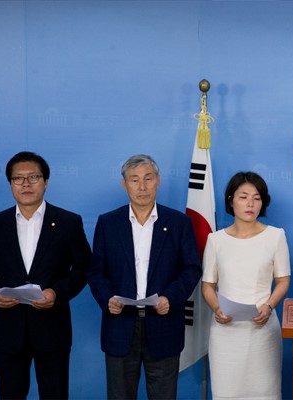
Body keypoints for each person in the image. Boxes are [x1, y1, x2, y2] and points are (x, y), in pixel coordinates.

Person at [0, 151, 91, 399]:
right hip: (9, 329)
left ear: (45, 182)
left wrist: (56, 293)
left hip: (53, 328)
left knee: (55, 394)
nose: (26, 184)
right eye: (18, 178)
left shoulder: (68, 222)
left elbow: (84, 268)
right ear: (10, 184)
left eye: (33, 177)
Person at [87, 154, 201, 399]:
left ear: (158, 180)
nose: (142, 186)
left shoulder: (179, 223)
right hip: (120, 324)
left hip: (164, 324)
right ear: (124, 184)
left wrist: (170, 298)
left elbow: (191, 268)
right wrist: (108, 299)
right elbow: (96, 271)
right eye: (134, 179)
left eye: (148, 178)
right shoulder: (108, 223)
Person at [201, 171, 290, 399]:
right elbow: (208, 285)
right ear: (231, 200)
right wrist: (217, 309)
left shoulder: (275, 236)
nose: (250, 203)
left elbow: (283, 281)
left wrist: (268, 306)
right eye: (243, 197)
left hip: (263, 327)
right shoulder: (216, 240)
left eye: (257, 198)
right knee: (226, 392)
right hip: (225, 329)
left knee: (265, 392)